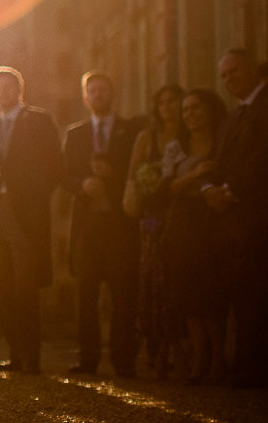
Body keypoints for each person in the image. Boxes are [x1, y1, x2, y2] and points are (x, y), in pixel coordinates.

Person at [62, 70, 141, 377]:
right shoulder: (75, 134)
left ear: (112, 94)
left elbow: (140, 172)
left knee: (124, 294)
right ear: (85, 98)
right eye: (92, 92)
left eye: (103, 91)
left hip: (121, 224)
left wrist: (114, 177)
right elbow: (63, 176)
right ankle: (88, 359)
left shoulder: (131, 131)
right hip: (87, 227)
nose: (98, 96)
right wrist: (82, 185)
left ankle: (124, 360)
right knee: (86, 296)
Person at [0, 66, 60, 375]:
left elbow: (54, 167)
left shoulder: (38, 120)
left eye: (7, 87)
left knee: (26, 287)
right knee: (2, 287)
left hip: (26, 215)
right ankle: (15, 351)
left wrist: (32, 199)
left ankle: (32, 356)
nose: (2, 93)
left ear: (19, 89)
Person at [202, 47, 268, 387]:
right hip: (232, 221)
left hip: (259, 215)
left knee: (258, 295)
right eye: (224, 76)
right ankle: (246, 367)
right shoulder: (233, 115)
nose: (229, 80)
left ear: (253, 69)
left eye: (235, 72)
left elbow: (261, 157)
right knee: (243, 296)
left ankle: (255, 369)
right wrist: (210, 189)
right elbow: (216, 160)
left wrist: (229, 190)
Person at [161, 88, 228, 384]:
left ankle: (219, 360)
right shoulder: (177, 147)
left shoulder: (224, 141)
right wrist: (197, 174)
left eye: (196, 108)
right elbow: (168, 188)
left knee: (211, 294)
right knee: (188, 296)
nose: (189, 115)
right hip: (182, 225)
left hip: (214, 223)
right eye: (185, 110)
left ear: (210, 109)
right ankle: (200, 361)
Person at [122, 84, 185, 379]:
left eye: (174, 101)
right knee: (154, 284)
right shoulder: (147, 138)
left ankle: (184, 352)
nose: (168, 107)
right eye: (162, 102)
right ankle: (156, 351)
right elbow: (134, 176)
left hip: (186, 214)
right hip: (153, 219)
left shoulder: (189, 136)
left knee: (181, 283)